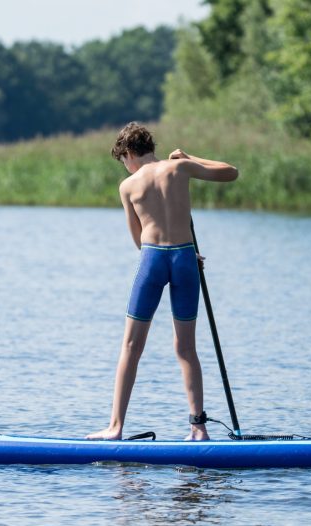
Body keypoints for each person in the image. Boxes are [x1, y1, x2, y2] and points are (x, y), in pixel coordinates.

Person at [87, 122, 239, 441]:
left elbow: (139, 240)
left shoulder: (128, 186)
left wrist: (162, 253)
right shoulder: (179, 168)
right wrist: (188, 156)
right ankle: (198, 428)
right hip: (185, 258)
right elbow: (230, 172)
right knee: (186, 348)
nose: (126, 166)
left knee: (131, 346)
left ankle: (115, 428)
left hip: (153, 261)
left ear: (128, 154)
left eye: (123, 160)